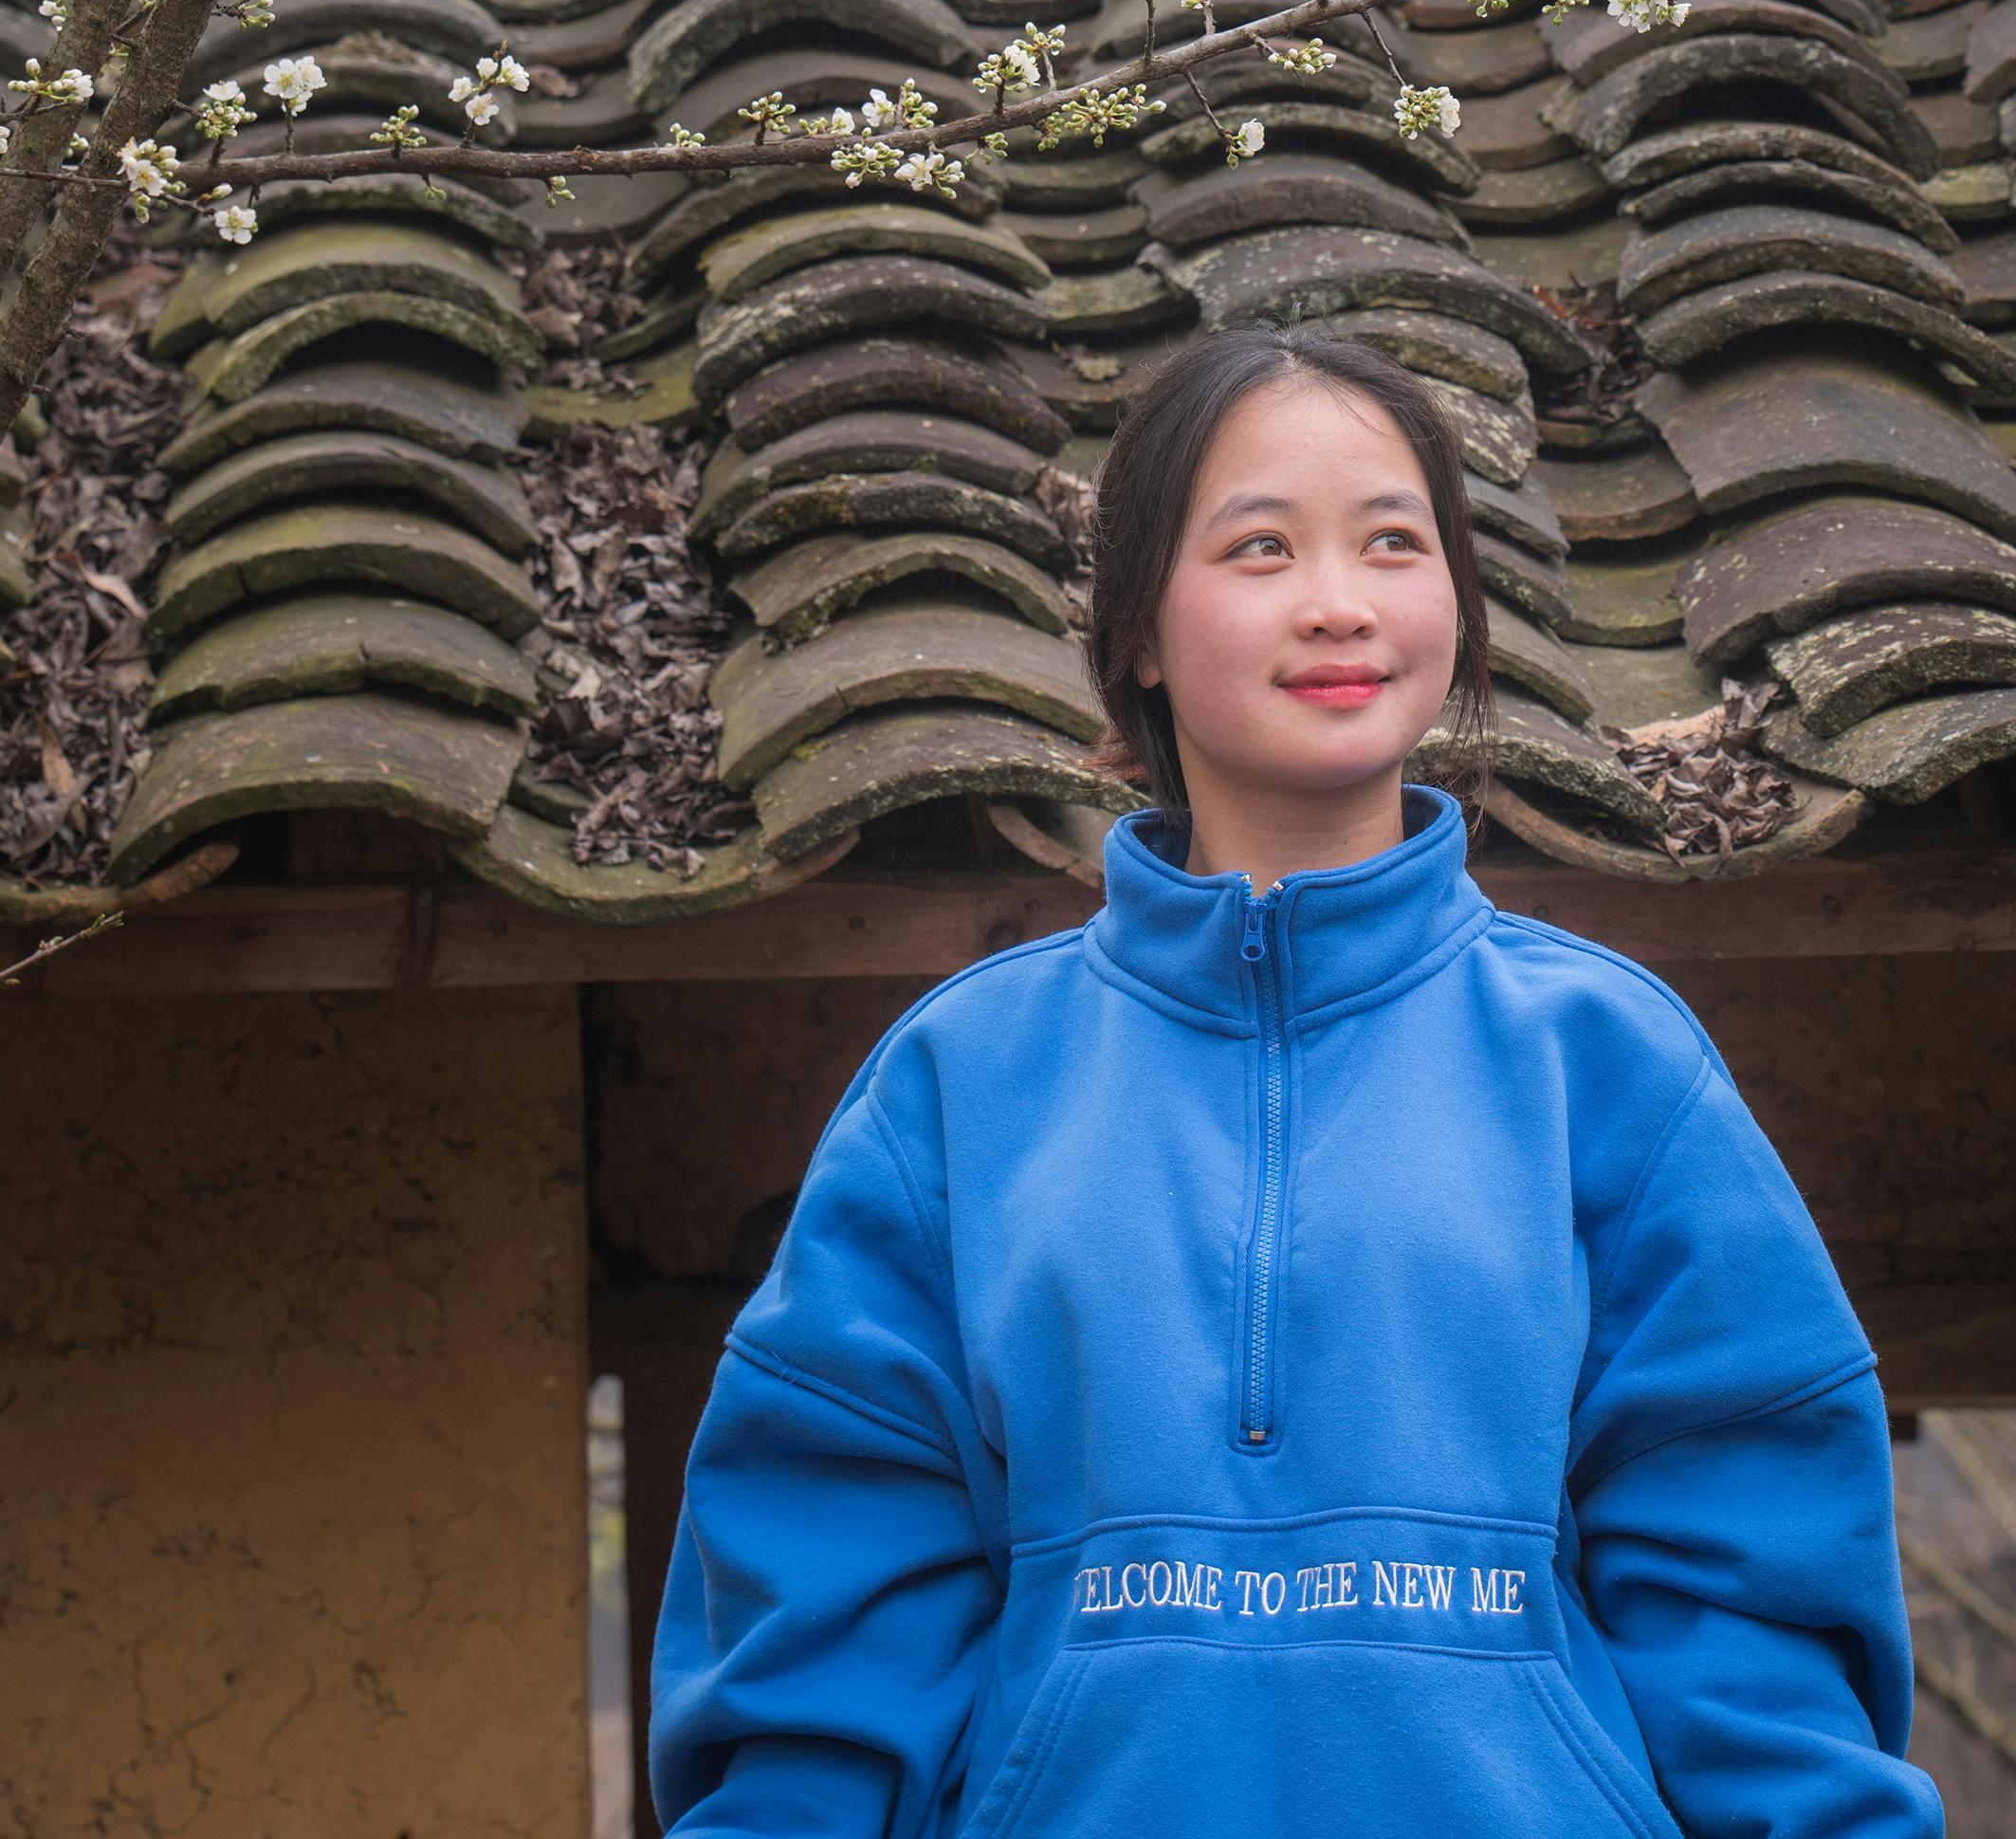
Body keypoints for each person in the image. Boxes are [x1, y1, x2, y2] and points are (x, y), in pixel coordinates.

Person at [650, 322, 1942, 1839]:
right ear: (1136, 628)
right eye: (1260, 548)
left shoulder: (1608, 1064)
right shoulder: (960, 1087)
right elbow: (826, 1602)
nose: (1339, 604)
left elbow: (1755, 1602)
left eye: (1395, 544)